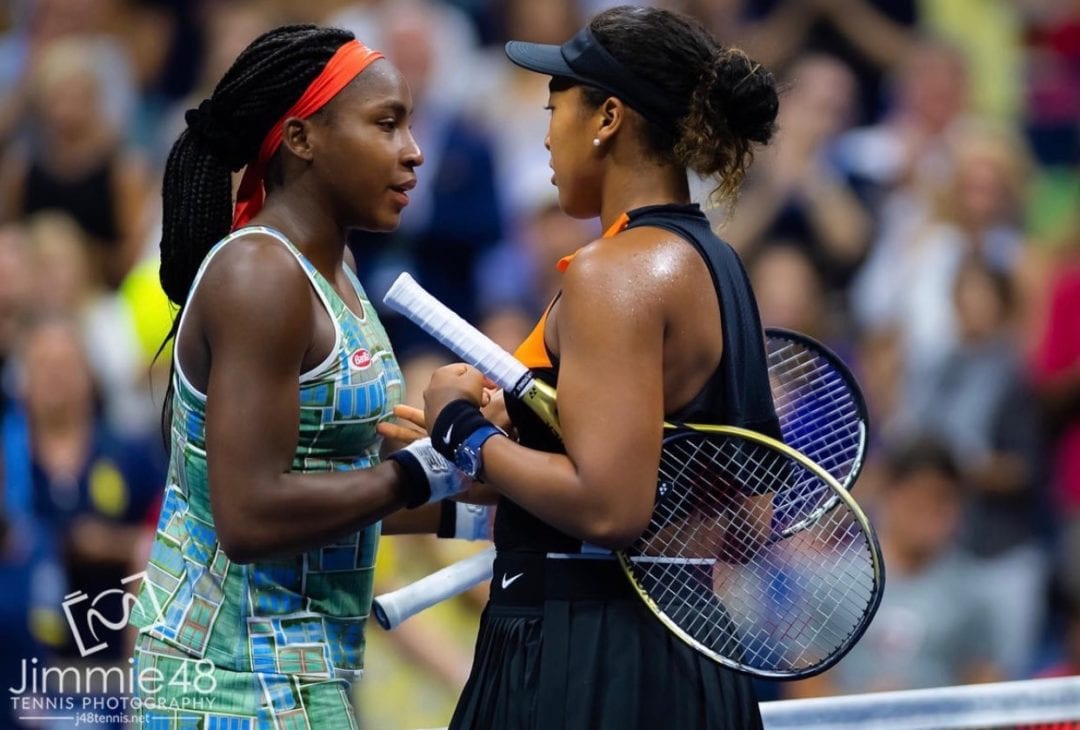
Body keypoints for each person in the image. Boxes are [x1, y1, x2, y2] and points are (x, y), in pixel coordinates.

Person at [413, 6, 781, 728]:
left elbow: (612, 506)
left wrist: (463, 429)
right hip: (680, 656)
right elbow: (749, 517)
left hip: (588, 662)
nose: (546, 135)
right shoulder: (716, 265)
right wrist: (499, 459)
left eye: (556, 108)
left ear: (608, 117)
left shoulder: (616, 272)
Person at [127, 24, 480, 727]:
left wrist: (480, 502)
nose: (413, 152)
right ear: (301, 138)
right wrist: (423, 472)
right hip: (226, 684)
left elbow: (337, 478)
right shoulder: (260, 275)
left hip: (294, 669)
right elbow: (250, 515)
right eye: (386, 124)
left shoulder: (335, 273)